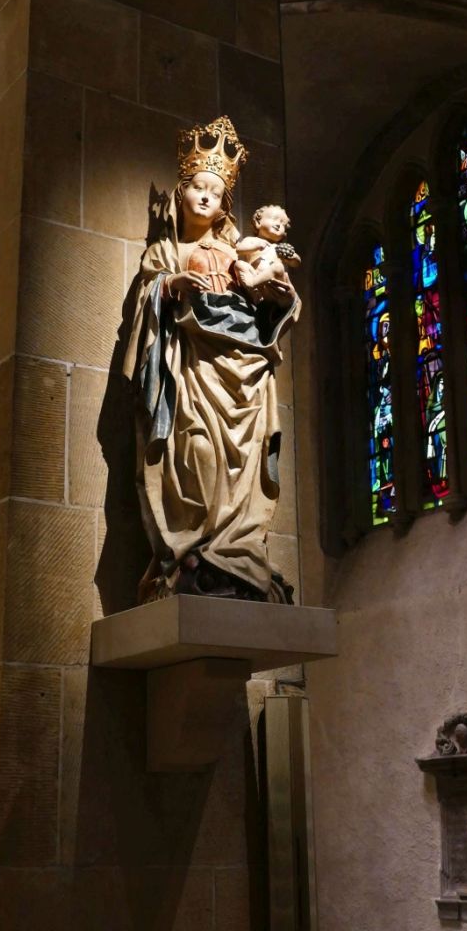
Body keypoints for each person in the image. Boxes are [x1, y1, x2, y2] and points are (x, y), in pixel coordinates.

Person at [123, 117, 300, 603]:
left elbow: (268, 306)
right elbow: (145, 302)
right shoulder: (165, 251)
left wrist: (281, 296)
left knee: (241, 464)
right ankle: (193, 550)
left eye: (216, 193)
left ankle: (234, 551)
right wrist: (171, 284)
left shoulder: (236, 251)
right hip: (190, 373)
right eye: (198, 188)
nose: (206, 197)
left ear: (225, 206)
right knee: (196, 451)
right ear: (182, 192)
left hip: (242, 375)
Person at [235, 204, 301, 298]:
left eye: (283, 224)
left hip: (274, 282)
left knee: (278, 267)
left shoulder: (277, 247)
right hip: (255, 276)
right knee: (239, 264)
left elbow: (296, 263)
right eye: (274, 219)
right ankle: (253, 291)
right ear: (258, 222)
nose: (278, 225)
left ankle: (252, 284)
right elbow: (238, 249)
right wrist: (255, 246)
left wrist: (292, 257)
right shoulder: (252, 240)